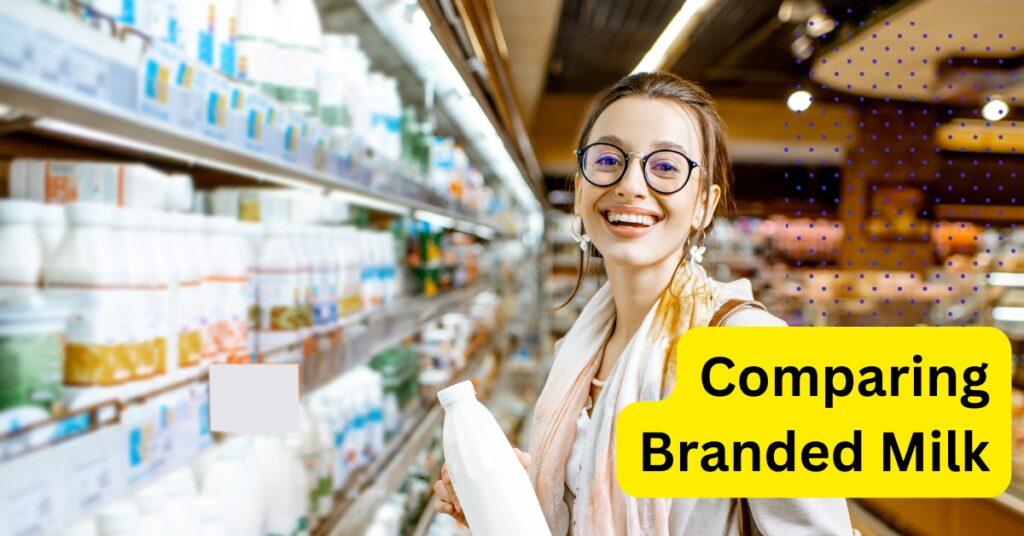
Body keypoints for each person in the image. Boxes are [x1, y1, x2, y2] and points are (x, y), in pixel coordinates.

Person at [434, 71, 854, 535]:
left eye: (667, 166)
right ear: (579, 190)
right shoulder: (579, 348)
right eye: (609, 159)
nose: (631, 184)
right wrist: (508, 501)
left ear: (704, 206)